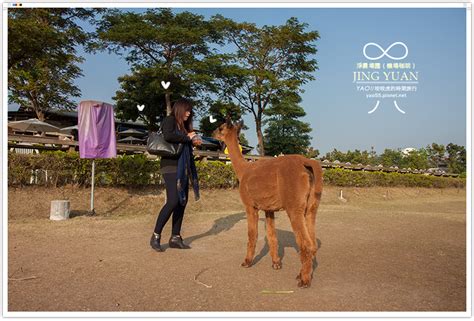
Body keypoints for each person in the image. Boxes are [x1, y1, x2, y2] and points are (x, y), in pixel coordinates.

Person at [150, 99, 201, 252]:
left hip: (183, 166)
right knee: (173, 201)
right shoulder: (169, 120)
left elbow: (184, 142)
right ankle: (156, 235)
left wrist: (194, 140)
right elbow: (169, 136)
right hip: (170, 166)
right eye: (186, 110)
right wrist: (187, 138)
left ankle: (175, 237)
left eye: (190, 111)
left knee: (181, 202)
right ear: (179, 109)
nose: (189, 113)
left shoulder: (184, 126)